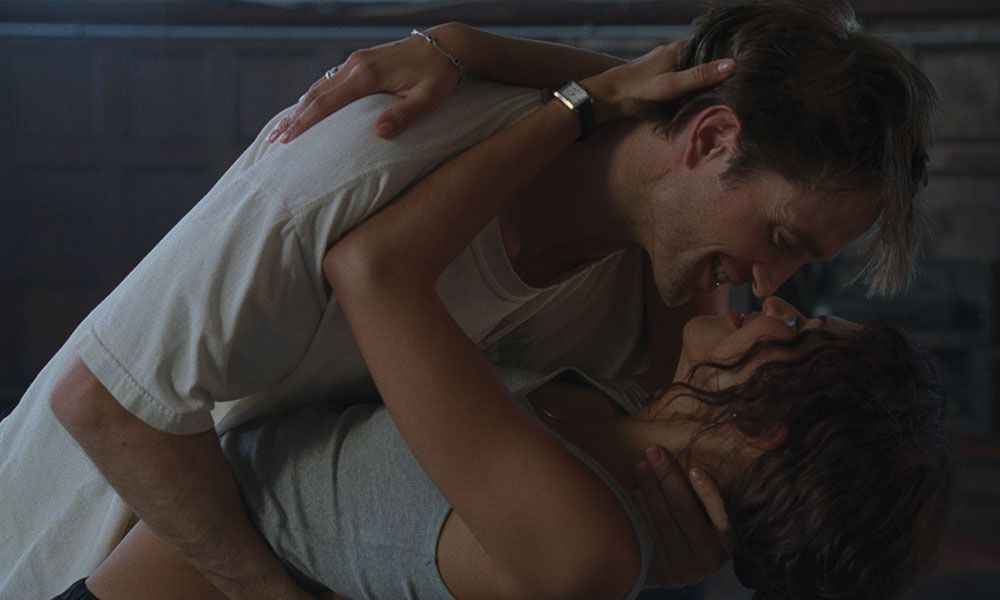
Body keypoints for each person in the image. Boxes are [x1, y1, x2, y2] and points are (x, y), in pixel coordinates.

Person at [0, 1, 935, 597]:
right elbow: (103, 407)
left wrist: (674, 560)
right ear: (710, 141)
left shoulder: (651, 305)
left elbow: (689, 101)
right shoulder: (364, 165)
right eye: (782, 239)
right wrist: (477, 52)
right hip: (54, 548)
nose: (770, 288)